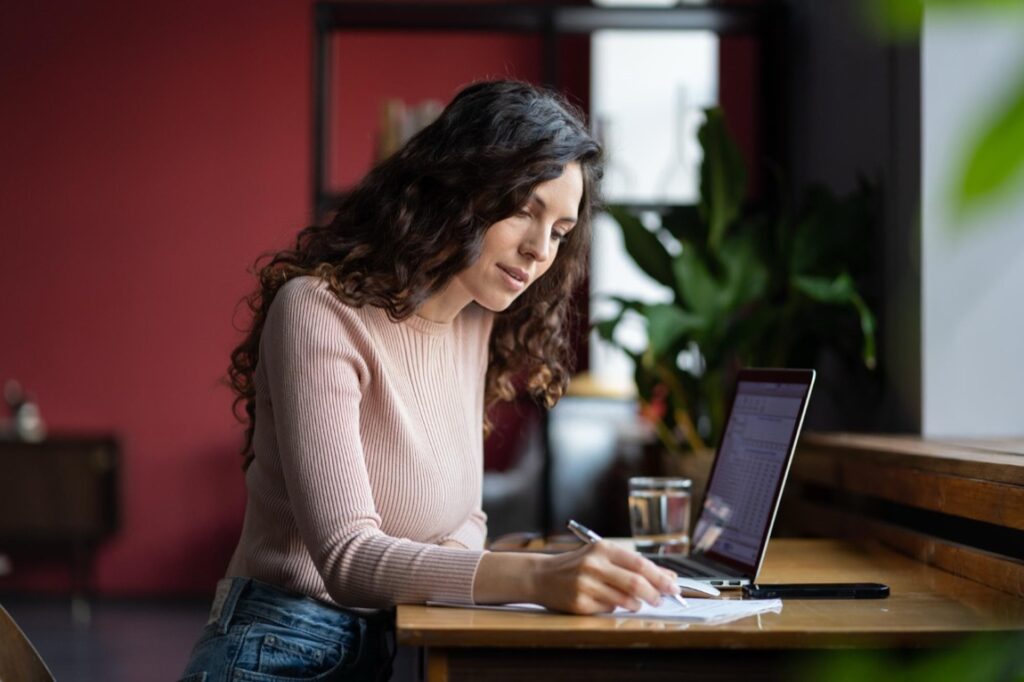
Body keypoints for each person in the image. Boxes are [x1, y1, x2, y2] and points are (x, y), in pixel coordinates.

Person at [179, 80, 682, 682]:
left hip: (386, 645)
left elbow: (464, 521)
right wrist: (541, 575)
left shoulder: (475, 320)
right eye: (524, 210)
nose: (538, 250)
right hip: (278, 646)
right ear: (459, 189)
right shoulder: (319, 311)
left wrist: (475, 563)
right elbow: (345, 558)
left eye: (560, 231)